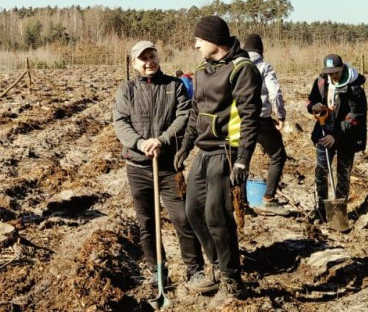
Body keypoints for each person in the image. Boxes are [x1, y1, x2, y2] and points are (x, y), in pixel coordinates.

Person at [176, 15, 262, 300]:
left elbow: (250, 118)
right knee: (193, 212)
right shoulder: (201, 69)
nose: (196, 44)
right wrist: (185, 147)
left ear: (213, 40)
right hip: (204, 151)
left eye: (199, 39)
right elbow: (194, 112)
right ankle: (216, 266)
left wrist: (242, 161)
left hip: (227, 152)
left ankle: (231, 281)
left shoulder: (242, 69)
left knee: (217, 216)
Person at [112, 40, 206, 292]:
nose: (148, 62)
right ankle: (158, 270)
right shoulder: (127, 89)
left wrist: (162, 140)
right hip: (138, 166)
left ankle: (195, 270)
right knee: (147, 223)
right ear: (134, 64)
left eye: (152, 56)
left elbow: (184, 116)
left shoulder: (173, 86)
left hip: (168, 166)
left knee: (183, 218)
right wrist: (140, 143)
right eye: (142, 59)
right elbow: (120, 122)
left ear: (158, 57)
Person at [305, 54, 366, 222]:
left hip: (346, 137)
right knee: (321, 171)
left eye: (336, 72)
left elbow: (354, 116)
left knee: (343, 174)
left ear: (342, 68)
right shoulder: (321, 81)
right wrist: (313, 107)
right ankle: (321, 210)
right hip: (324, 133)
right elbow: (311, 101)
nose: (332, 76)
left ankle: (339, 212)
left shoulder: (354, 88)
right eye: (329, 72)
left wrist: (336, 136)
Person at [242, 33, 289, 216]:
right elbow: (275, 93)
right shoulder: (264, 66)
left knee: (241, 160)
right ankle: (268, 199)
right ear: (261, 51)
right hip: (262, 121)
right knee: (278, 155)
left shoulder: (235, 66)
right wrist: (281, 115)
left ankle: (241, 202)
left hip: (241, 121)